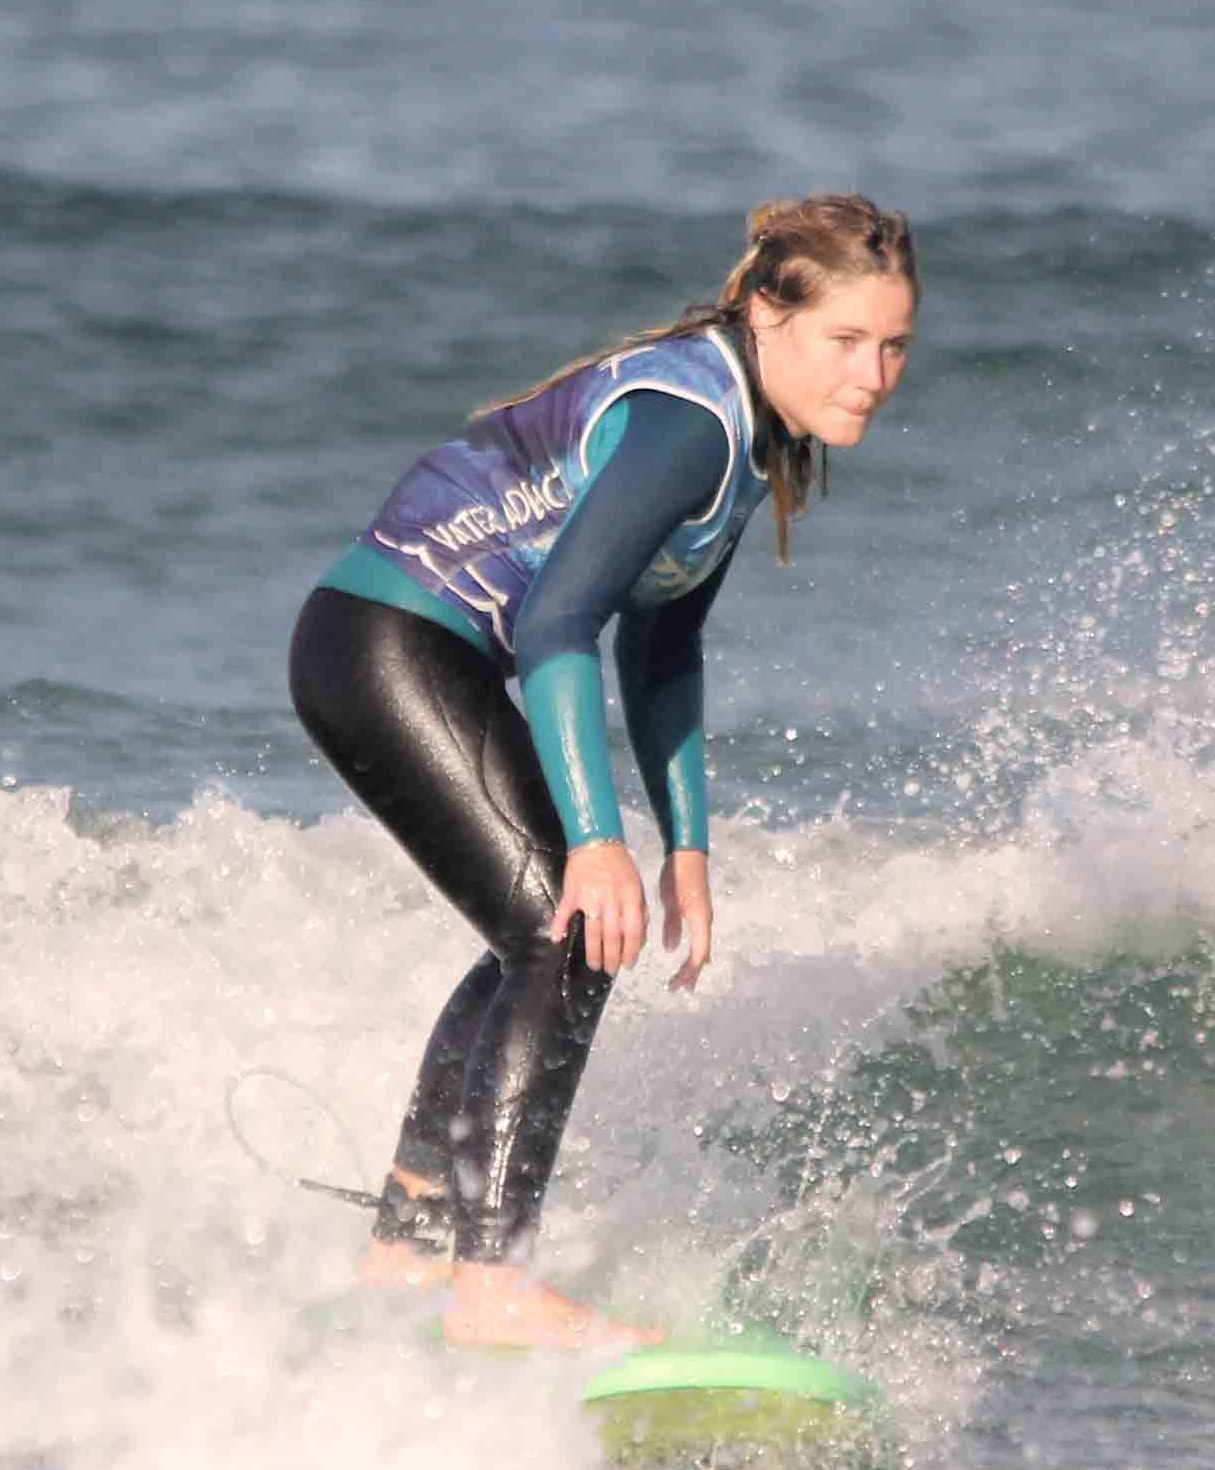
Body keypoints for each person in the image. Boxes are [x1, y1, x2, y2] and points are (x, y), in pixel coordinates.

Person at [289, 194, 918, 1349]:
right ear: (767, 312)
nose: (873, 372)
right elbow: (559, 626)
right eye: (846, 340)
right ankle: (491, 1280)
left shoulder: (741, 426)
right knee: (568, 928)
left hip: (400, 649)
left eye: (892, 346)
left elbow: (660, 641)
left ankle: (410, 1245)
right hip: (389, 644)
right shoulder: (692, 421)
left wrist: (687, 845)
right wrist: (597, 838)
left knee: (533, 933)